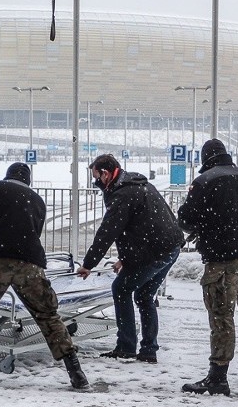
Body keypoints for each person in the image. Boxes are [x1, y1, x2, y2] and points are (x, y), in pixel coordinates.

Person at [0, 162, 89, 390]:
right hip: (31, 267)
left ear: (7, 176)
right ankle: (77, 374)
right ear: (28, 182)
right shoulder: (38, 202)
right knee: (48, 316)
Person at [177, 139, 238, 396]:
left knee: (222, 317)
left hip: (221, 259)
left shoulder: (204, 181)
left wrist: (207, 226)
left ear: (205, 159)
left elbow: (186, 219)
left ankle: (218, 377)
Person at [77, 154, 184, 364]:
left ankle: (126, 347)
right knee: (145, 295)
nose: (95, 181)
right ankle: (148, 350)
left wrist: (88, 264)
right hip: (169, 247)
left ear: (106, 174)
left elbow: (108, 232)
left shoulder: (123, 194)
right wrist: (125, 259)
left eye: (96, 176)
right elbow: (142, 227)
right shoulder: (137, 184)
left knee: (121, 289)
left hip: (156, 252)